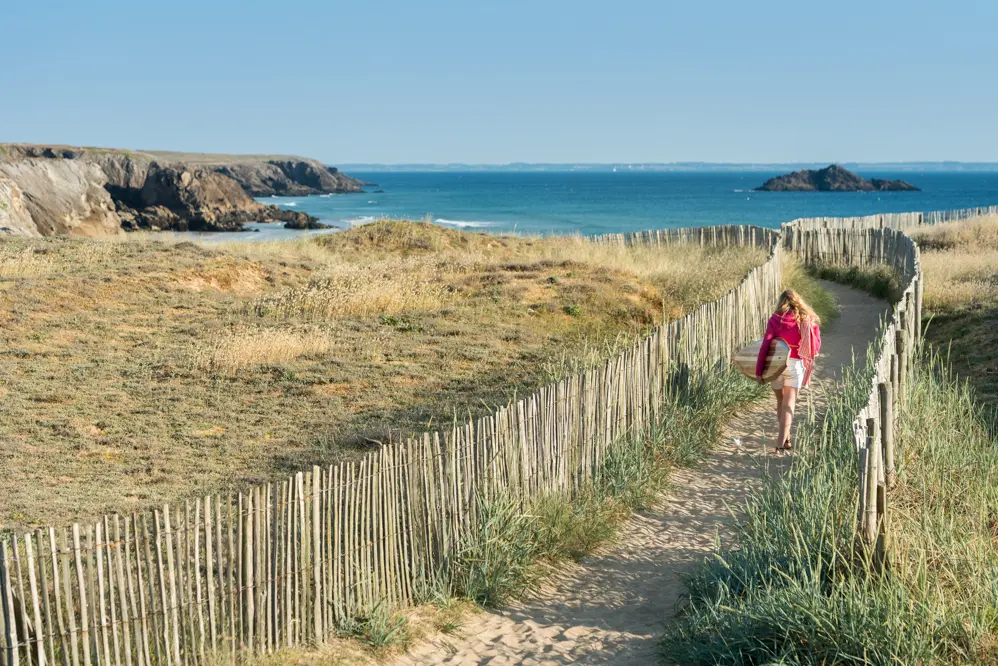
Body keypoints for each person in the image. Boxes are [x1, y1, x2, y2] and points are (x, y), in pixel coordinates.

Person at [755, 289, 822, 455]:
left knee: (780, 403)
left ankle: (786, 439)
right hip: (795, 364)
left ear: (781, 302)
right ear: (798, 301)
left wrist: (759, 370)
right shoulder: (807, 320)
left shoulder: (775, 320)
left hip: (775, 365)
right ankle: (780, 443)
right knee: (789, 405)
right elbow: (816, 346)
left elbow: (765, 346)